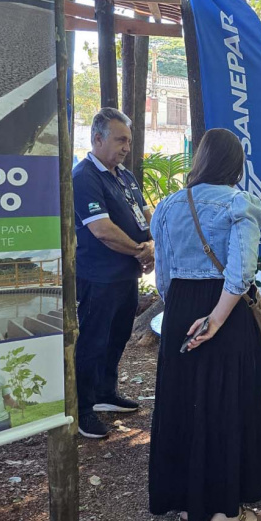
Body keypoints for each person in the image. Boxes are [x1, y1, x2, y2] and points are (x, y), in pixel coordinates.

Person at [148, 129, 261, 521]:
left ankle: (189, 502)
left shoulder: (166, 207)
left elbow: (162, 276)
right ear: (235, 165)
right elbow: (241, 272)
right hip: (225, 311)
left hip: (181, 306)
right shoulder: (240, 204)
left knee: (185, 400)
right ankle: (225, 512)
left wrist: (183, 308)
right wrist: (215, 318)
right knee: (224, 403)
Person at [72, 107, 156, 440]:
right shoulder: (84, 178)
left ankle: (106, 393)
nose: (125, 147)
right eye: (120, 140)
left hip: (126, 275)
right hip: (98, 276)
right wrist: (140, 250)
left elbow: (145, 214)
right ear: (97, 138)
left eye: (128, 141)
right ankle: (82, 409)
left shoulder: (124, 175)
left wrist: (150, 243)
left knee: (118, 336)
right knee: (93, 341)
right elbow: (103, 230)